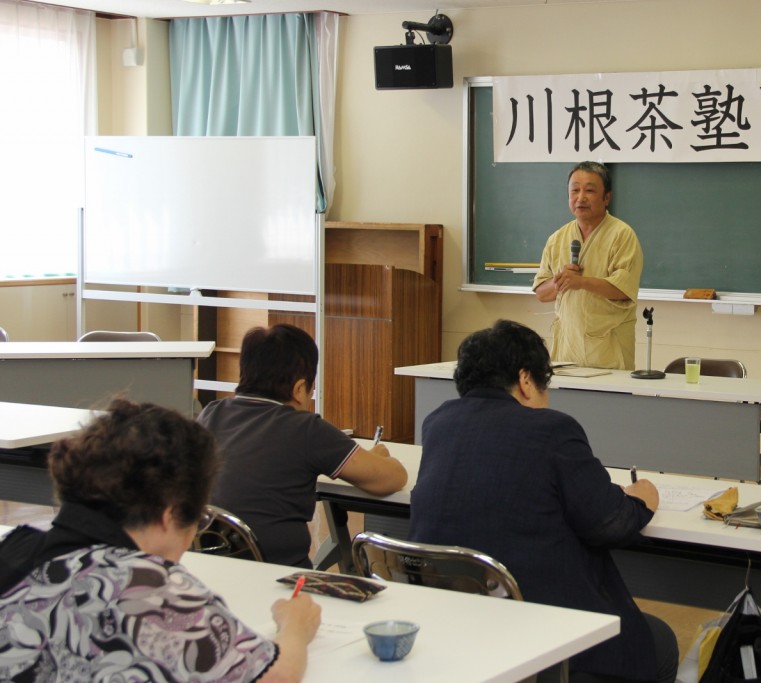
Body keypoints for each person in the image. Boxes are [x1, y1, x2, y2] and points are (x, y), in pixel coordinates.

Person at [408, 320, 678, 683]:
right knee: (659, 643)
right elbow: (609, 524)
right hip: (544, 637)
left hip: (456, 630)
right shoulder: (551, 429)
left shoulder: (437, 423)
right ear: (524, 380)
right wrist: (641, 501)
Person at [0, 399, 321, 682]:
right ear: (170, 515)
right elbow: (274, 676)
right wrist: (295, 628)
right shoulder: (146, 587)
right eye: (198, 519)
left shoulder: (15, 554)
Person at [197, 323, 407, 568]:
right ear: (299, 389)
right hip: (281, 576)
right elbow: (390, 479)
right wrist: (381, 457)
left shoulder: (211, 415)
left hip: (211, 568)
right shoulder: (304, 428)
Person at [533, 161, 643, 370]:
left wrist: (581, 282)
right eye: (575, 190)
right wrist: (560, 282)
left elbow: (623, 289)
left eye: (589, 190)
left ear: (607, 197)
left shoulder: (622, 235)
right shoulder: (557, 238)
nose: (580, 197)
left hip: (608, 352)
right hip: (566, 351)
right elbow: (541, 293)